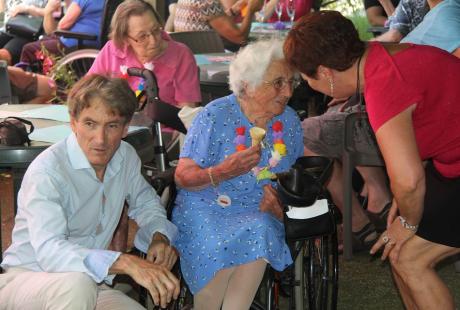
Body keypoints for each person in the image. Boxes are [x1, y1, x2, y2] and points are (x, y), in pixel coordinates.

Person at [284, 10, 460, 309]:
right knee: (397, 251)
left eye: (306, 78)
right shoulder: (379, 55)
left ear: (325, 72)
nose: (307, 85)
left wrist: (408, 218)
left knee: (411, 260)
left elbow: (408, 179)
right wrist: (407, 210)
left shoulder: (384, 82)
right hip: (449, 166)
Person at [0, 74, 180, 309]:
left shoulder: (125, 157)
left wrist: (159, 235)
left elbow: (146, 203)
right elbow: (50, 252)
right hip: (28, 280)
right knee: (77, 286)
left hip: (90, 285)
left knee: (87, 288)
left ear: (126, 128)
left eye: (112, 125)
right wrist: (126, 263)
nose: (100, 139)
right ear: (73, 122)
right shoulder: (48, 171)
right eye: (90, 124)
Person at [172, 38, 303, 309]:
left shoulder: (288, 121)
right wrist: (221, 171)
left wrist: (280, 205)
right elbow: (182, 176)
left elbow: (293, 179)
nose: (288, 91)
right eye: (278, 82)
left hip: (260, 211)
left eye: (292, 82)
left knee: (261, 227)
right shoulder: (214, 116)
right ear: (247, 85)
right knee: (217, 248)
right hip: (208, 204)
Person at [88, 0, 201, 120]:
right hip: (114, 128)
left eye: (156, 30)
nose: (153, 41)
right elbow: (88, 91)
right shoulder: (112, 50)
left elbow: (187, 113)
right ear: (124, 38)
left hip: (162, 132)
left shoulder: (180, 55)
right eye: (142, 36)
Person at [19, 0, 104, 68]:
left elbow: (63, 25)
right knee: (45, 39)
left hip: (75, 43)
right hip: (98, 43)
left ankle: (23, 84)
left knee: (28, 49)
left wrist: (49, 9)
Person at [173, 0, 264, 47]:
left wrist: (235, 8)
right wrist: (251, 10)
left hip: (191, 56)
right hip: (207, 60)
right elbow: (240, 38)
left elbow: (214, 20)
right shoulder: (208, 2)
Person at [0, 0, 47, 65]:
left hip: (29, 33)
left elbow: (55, 13)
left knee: (3, 56)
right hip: (7, 28)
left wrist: (27, 9)